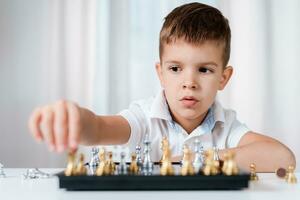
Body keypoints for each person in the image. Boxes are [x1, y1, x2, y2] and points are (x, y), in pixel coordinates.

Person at [28, 2, 295, 172]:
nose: (189, 82)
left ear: (223, 78)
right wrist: (75, 119)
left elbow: (283, 157)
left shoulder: (227, 126)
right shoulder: (144, 118)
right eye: (175, 68)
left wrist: (200, 159)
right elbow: (97, 128)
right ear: (161, 73)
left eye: (204, 69)